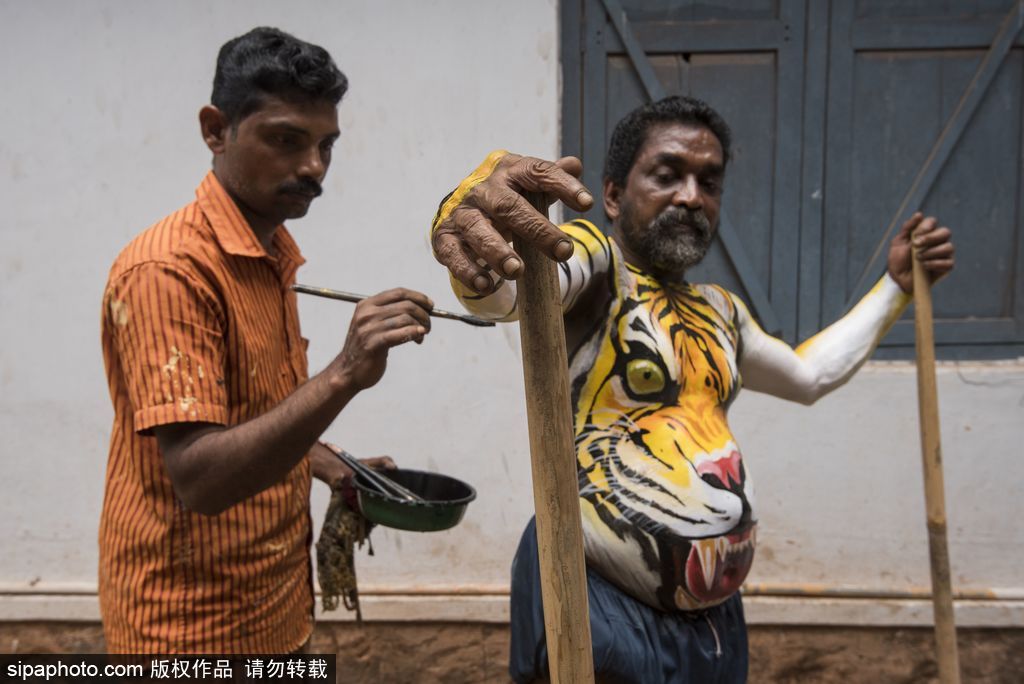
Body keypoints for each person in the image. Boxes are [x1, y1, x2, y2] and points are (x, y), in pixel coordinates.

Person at [429, 96, 955, 682]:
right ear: (611, 195)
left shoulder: (720, 311)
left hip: (713, 624)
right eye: (666, 174)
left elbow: (808, 378)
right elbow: (520, 289)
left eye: (709, 182)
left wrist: (894, 287)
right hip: (599, 605)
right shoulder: (600, 266)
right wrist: (478, 235)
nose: (690, 196)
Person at [99, 27, 434, 654]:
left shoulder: (270, 252)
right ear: (215, 129)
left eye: (325, 145)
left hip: (276, 612)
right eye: (286, 140)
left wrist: (326, 460)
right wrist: (343, 375)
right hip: (189, 634)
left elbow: (249, 414)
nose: (312, 167)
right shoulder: (168, 272)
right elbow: (201, 479)